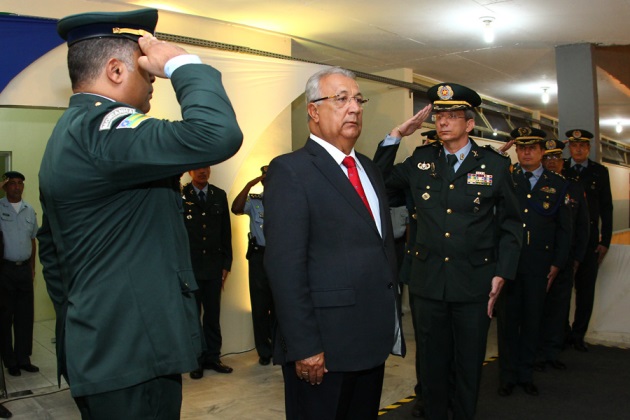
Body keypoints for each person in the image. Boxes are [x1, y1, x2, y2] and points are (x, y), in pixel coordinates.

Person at [37, 8, 242, 419]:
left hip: (111, 345)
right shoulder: (103, 131)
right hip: (130, 353)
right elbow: (216, 134)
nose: (153, 83)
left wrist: (88, 316)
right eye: (147, 74)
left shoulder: (72, 131)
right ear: (115, 71)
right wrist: (182, 64)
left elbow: (52, 250)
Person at [263, 67, 404, 420]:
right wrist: (305, 346)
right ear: (313, 110)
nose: (354, 107)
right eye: (341, 99)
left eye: (358, 99)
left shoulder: (369, 169)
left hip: (371, 341)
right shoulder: (291, 170)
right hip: (323, 349)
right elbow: (284, 267)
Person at [384, 83, 522, 419]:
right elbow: (378, 181)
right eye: (439, 115)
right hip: (428, 281)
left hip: (473, 281)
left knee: (468, 361)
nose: (443, 122)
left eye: (452, 116)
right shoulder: (420, 161)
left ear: (470, 124)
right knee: (431, 361)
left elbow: (512, 225)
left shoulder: (494, 166)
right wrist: (396, 135)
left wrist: (503, 272)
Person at [496, 128, 571, 397]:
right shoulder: (506, 178)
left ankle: (525, 373)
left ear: (541, 151)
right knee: (507, 323)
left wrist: (558, 263)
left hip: (539, 266)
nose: (527, 152)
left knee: (532, 321)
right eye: (522, 147)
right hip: (509, 265)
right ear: (516, 150)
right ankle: (507, 375)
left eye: (532, 148)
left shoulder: (558, 183)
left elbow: (564, 229)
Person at [536, 139, 589, 370]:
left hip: (564, 259)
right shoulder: (535, 185)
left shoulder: (573, 187)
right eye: (547, 158)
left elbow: (581, 226)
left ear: (562, 161)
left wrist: (577, 257)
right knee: (538, 307)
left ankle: (552, 352)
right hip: (539, 258)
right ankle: (535, 352)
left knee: (559, 309)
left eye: (555, 158)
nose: (551, 162)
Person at [562, 129, 613, 352]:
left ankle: (578, 334)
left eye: (583, 145)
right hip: (566, 240)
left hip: (590, 241)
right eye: (574, 146)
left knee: (585, 291)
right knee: (561, 291)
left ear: (589, 148)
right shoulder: (561, 168)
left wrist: (606, 240)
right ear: (569, 148)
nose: (579, 149)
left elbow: (607, 208)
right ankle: (561, 332)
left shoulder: (599, 172)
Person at [182, 166, 234, 379]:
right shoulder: (181, 196)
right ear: (190, 172)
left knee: (213, 315)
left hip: (213, 266)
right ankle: (196, 360)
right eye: (198, 168)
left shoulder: (218, 195)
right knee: (193, 316)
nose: (203, 171)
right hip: (191, 267)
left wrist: (226, 264)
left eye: (206, 167)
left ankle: (213, 356)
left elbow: (225, 233)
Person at [231, 165, 274, 367]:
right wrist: (249, 184)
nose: (267, 180)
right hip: (258, 256)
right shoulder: (255, 201)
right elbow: (236, 208)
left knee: (280, 305)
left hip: (279, 257)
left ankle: (278, 347)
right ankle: (264, 351)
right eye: (264, 178)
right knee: (259, 305)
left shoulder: (286, 200)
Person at [0, 171, 39, 377]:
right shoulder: (0, 207)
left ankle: (23, 358)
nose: (17, 187)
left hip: (24, 269)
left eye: (20, 183)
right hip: (4, 270)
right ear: (5, 186)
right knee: (5, 317)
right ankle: (9, 360)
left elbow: (33, 240)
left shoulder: (29, 210)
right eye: (12, 183)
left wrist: (33, 267)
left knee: (25, 317)